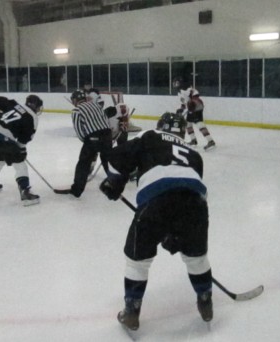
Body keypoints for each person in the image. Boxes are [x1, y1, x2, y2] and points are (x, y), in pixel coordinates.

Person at [99, 111, 213, 331]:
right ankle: (206, 300)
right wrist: (178, 233)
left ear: (160, 125)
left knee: (138, 260)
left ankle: (132, 310)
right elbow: (193, 190)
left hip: (156, 199)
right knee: (196, 257)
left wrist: (114, 183)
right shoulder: (194, 154)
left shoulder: (151, 135)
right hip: (196, 205)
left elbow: (117, 156)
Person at [0, 95, 43, 206]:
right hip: (4, 138)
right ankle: (25, 192)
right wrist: (21, 150)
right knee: (20, 164)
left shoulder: (16, 104)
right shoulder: (33, 117)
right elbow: (25, 138)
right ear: (36, 106)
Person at [54, 89, 112, 198]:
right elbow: (106, 120)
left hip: (93, 138)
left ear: (75, 100)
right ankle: (116, 182)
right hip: (107, 135)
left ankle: (77, 190)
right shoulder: (96, 105)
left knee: (83, 164)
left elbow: (79, 130)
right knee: (108, 161)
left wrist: (87, 141)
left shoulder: (76, 110)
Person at [173, 77, 216, 151]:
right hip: (192, 107)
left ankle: (210, 141)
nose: (175, 84)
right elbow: (184, 103)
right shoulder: (179, 92)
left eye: (176, 83)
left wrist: (192, 103)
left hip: (197, 106)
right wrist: (181, 109)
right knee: (188, 124)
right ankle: (193, 140)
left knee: (199, 123)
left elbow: (196, 95)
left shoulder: (187, 88)